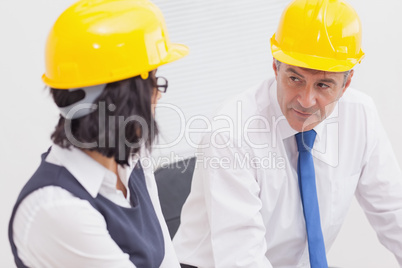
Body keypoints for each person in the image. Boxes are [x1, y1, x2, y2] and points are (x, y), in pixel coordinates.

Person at [173, 0, 402, 267]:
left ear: (346, 83)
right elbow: (242, 260)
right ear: (275, 66)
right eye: (295, 79)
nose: (306, 100)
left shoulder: (361, 116)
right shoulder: (231, 133)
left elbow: (395, 214)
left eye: (324, 85)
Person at [8, 0, 188, 267]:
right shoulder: (56, 207)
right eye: (153, 81)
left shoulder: (134, 162)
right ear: (122, 99)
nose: (158, 95)